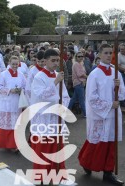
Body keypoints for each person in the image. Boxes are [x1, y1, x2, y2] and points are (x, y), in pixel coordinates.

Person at [78, 44, 125, 185]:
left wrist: (119, 86)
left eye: (111, 53)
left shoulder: (116, 72)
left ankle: (108, 172)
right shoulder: (94, 74)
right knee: (97, 143)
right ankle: (86, 163)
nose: (109, 55)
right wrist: (109, 105)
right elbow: (91, 97)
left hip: (113, 114)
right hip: (100, 115)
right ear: (99, 55)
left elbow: (122, 94)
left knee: (110, 143)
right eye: (106, 53)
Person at [30, 49, 71, 184]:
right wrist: (54, 83)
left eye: (57, 60)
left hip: (56, 117)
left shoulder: (58, 75)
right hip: (44, 119)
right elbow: (39, 97)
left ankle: (57, 175)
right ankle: (42, 177)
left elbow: (65, 95)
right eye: (52, 60)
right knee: (44, 148)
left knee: (56, 147)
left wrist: (61, 106)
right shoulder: (39, 77)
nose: (55, 63)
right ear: (45, 61)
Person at [0, 56, 26, 152]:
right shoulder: (3, 74)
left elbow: (26, 87)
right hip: (6, 104)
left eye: (16, 64)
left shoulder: (21, 75)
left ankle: (14, 145)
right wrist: (10, 90)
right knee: (7, 125)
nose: (15, 66)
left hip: (17, 104)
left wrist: (21, 90)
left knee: (16, 125)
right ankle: (6, 144)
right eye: (13, 64)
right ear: (9, 63)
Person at [68, 52, 87, 117]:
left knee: (73, 99)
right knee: (82, 99)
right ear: (76, 57)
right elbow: (79, 74)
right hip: (79, 83)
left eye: (81, 56)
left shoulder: (80, 64)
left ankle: (66, 111)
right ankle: (85, 114)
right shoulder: (76, 64)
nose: (81, 57)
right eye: (79, 56)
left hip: (79, 83)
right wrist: (86, 76)